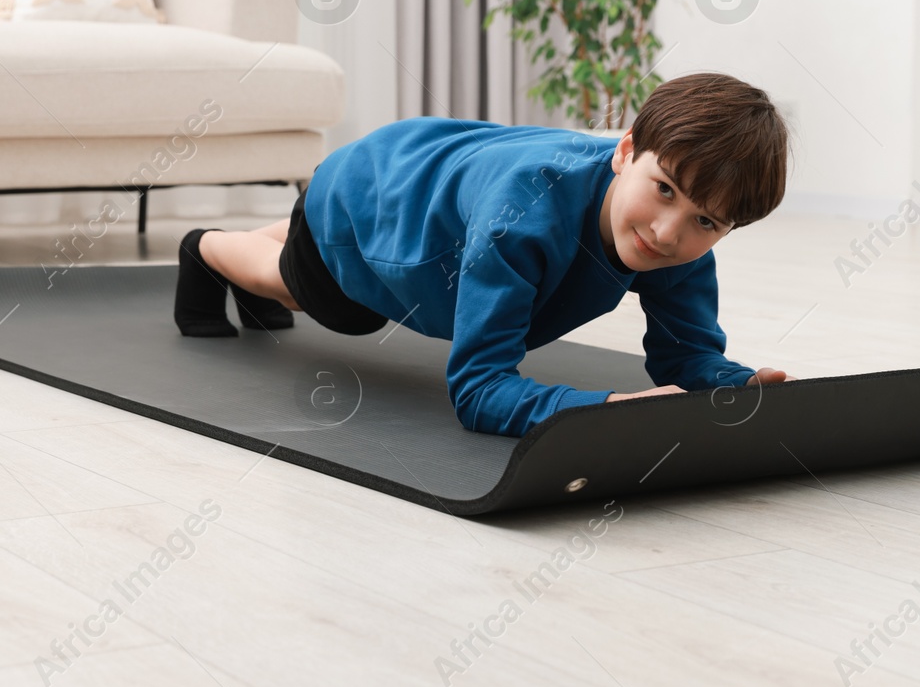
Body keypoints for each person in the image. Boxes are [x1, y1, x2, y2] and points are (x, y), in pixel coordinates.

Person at [173, 72, 791, 437]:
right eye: (664, 191)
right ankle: (207, 251)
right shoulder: (522, 223)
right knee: (330, 301)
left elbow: (685, 352)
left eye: (705, 221)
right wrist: (602, 411)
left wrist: (733, 385)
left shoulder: (680, 240)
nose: (666, 232)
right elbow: (478, 389)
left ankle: (298, 227)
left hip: (432, 175)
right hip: (365, 193)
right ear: (625, 151)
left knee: (318, 238)